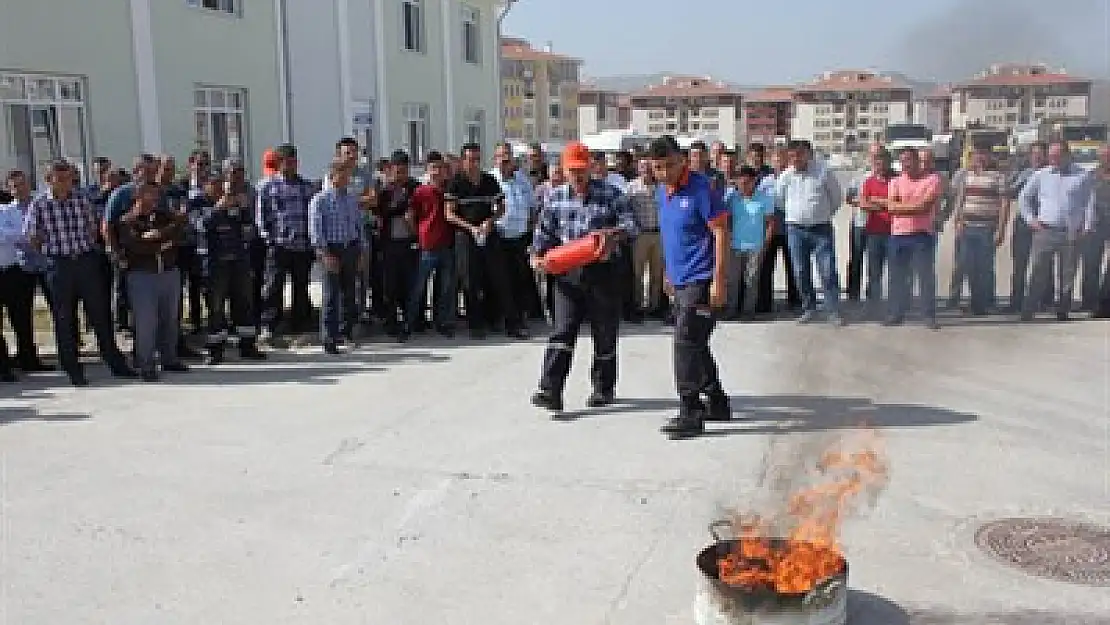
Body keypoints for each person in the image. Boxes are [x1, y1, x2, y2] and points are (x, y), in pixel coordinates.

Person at [529, 141, 638, 413]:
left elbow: (632, 225)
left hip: (603, 272)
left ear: (590, 167)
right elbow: (543, 235)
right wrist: (537, 257)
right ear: (564, 171)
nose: (578, 176)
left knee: (604, 332)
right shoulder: (555, 198)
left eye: (582, 169)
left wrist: (612, 237)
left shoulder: (611, 194)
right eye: (572, 171)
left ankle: (603, 388)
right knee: (562, 331)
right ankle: (550, 390)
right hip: (568, 274)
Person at [24, 160, 136, 386]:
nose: (67, 182)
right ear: (49, 180)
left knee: (99, 314)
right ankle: (72, 367)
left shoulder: (81, 198)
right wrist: (48, 259)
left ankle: (114, 361)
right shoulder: (39, 204)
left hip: (85, 261)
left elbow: (92, 226)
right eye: (61, 178)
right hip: (59, 264)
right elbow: (32, 236)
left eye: (69, 177)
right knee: (64, 318)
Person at [649, 136, 731, 439]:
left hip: (701, 278)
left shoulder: (702, 189)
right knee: (696, 343)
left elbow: (721, 232)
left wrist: (719, 280)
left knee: (684, 343)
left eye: (670, 165)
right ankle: (718, 403)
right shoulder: (662, 191)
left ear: (683, 159)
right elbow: (670, 235)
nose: (665, 172)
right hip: (680, 278)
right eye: (658, 168)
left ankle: (691, 412)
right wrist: (668, 273)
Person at [444, 142, 527, 340]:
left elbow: (500, 207)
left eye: (477, 159)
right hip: (466, 235)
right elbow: (448, 214)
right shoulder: (456, 183)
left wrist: (490, 220)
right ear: (463, 161)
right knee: (470, 281)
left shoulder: (489, 181)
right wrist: (470, 227)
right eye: (470, 160)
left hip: (489, 233)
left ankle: (512, 324)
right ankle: (476, 325)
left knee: (500, 278)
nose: (474, 164)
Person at [117, 182, 189, 381]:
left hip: (168, 272)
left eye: (156, 196)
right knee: (146, 322)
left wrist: (160, 236)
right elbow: (137, 247)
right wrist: (161, 243)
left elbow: (179, 233)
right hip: (142, 276)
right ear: (138, 197)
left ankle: (169, 358)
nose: (155, 200)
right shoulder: (127, 221)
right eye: (150, 196)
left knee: (170, 319)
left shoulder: (164, 217)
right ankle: (146, 364)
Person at [1018, 140, 1096, 322]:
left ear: (1067, 155)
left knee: (1067, 274)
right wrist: (1030, 219)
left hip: (1070, 232)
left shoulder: (1082, 175)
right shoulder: (1041, 175)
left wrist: (1087, 225)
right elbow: (1024, 197)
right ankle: (1028, 310)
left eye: (1056, 156)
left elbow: (1089, 202)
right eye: (1051, 156)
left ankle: (1063, 310)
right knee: (1038, 271)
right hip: (1045, 230)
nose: (1053, 159)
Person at [774, 140, 844, 325]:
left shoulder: (823, 172)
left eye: (800, 155)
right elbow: (780, 201)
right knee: (800, 271)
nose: (795, 159)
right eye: (792, 156)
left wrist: (822, 214)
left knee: (827, 270)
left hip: (821, 229)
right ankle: (809, 308)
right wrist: (796, 214)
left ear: (809, 154)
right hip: (795, 230)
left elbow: (837, 198)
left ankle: (832, 311)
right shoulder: (785, 176)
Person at [197, 176, 266, 364]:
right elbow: (200, 226)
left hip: (238, 263)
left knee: (244, 304)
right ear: (207, 187)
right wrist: (218, 208)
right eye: (217, 187)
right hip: (214, 265)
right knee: (216, 309)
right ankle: (215, 349)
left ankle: (247, 345)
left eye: (225, 189)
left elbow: (248, 230)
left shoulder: (234, 208)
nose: (223, 192)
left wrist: (243, 209)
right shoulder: (199, 203)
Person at [257, 143, 317, 342]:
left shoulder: (306, 187)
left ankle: (299, 323)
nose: (291, 166)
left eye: (294, 162)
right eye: (287, 162)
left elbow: (311, 215)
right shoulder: (267, 186)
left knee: (301, 286)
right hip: (279, 245)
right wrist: (269, 239)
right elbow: (261, 216)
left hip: (302, 245)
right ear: (279, 162)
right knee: (274, 285)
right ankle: (270, 325)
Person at [310, 160, 368, 353]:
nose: (346, 179)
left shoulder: (351, 199)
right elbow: (316, 231)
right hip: (331, 250)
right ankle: (329, 337)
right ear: (333, 176)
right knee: (331, 295)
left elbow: (358, 226)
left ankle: (346, 333)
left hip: (350, 249)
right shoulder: (320, 200)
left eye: (347, 175)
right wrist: (325, 254)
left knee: (349, 294)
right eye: (342, 175)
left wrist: (361, 250)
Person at [950, 144, 1010, 316]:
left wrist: (1001, 229)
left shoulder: (998, 177)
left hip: (987, 228)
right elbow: (961, 200)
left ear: (989, 157)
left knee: (985, 267)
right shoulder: (966, 176)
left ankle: (986, 302)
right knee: (969, 266)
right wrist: (958, 221)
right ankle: (976, 303)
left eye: (983, 154)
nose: (979, 158)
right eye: (976, 155)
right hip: (967, 227)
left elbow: (1004, 203)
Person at [885, 149, 942, 329]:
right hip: (898, 235)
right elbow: (891, 208)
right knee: (897, 278)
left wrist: (902, 206)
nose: (905, 164)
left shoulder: (932, 180)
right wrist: (912, 206)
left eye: (909, 160)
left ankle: (928, 315)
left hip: (921, 235)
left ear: (918, 161)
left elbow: (925, 207)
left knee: (925, 277)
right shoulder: (895, 181)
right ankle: (896, 313)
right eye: (902, 161)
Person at [407, 151, 456, 337]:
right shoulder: (421, 191)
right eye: (433, 168)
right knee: (418, 288)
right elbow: (411, 216)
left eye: (440, 168)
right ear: (428, 170)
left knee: (445, 288)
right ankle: (410, 322)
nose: (436, 172)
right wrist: (418, 234)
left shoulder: (449, 190)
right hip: (427, 246)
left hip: (446, 245)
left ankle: (442, 322)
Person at [724, 166, 773, 320]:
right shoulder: (732, 198)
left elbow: (770, 222)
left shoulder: (764, 198)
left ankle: (748, 312)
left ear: (754, 181)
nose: (744, 185)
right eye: (741, 182)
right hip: (735, 246)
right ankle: (730, 310)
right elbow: (728, 220)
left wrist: (765, 243)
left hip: (755, 246)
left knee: (751, 280)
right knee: (732, 280)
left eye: (747, 182)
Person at [857, 148, 894, 318]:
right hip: (874, 232)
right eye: (877, 163)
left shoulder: (896, 180)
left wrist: (877, 201)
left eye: (883, 162)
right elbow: (863, 204)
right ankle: (873, 306)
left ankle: (895, 306)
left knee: (895, 271)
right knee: (873, 272)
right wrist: (887, 205)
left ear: (888, 162)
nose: (880, 166)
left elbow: (899, 203)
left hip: (894, 233)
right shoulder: (869, 182)